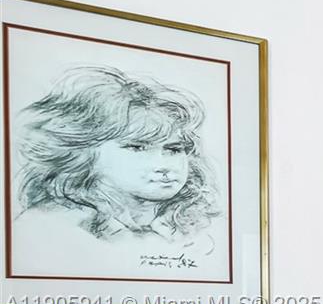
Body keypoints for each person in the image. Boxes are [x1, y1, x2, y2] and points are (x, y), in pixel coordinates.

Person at [10, 65, 224, 279]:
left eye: (174, 149)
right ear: (81, 151)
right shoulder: (47, 228)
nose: (164, 165)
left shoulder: (205, 227)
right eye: (136, 147)